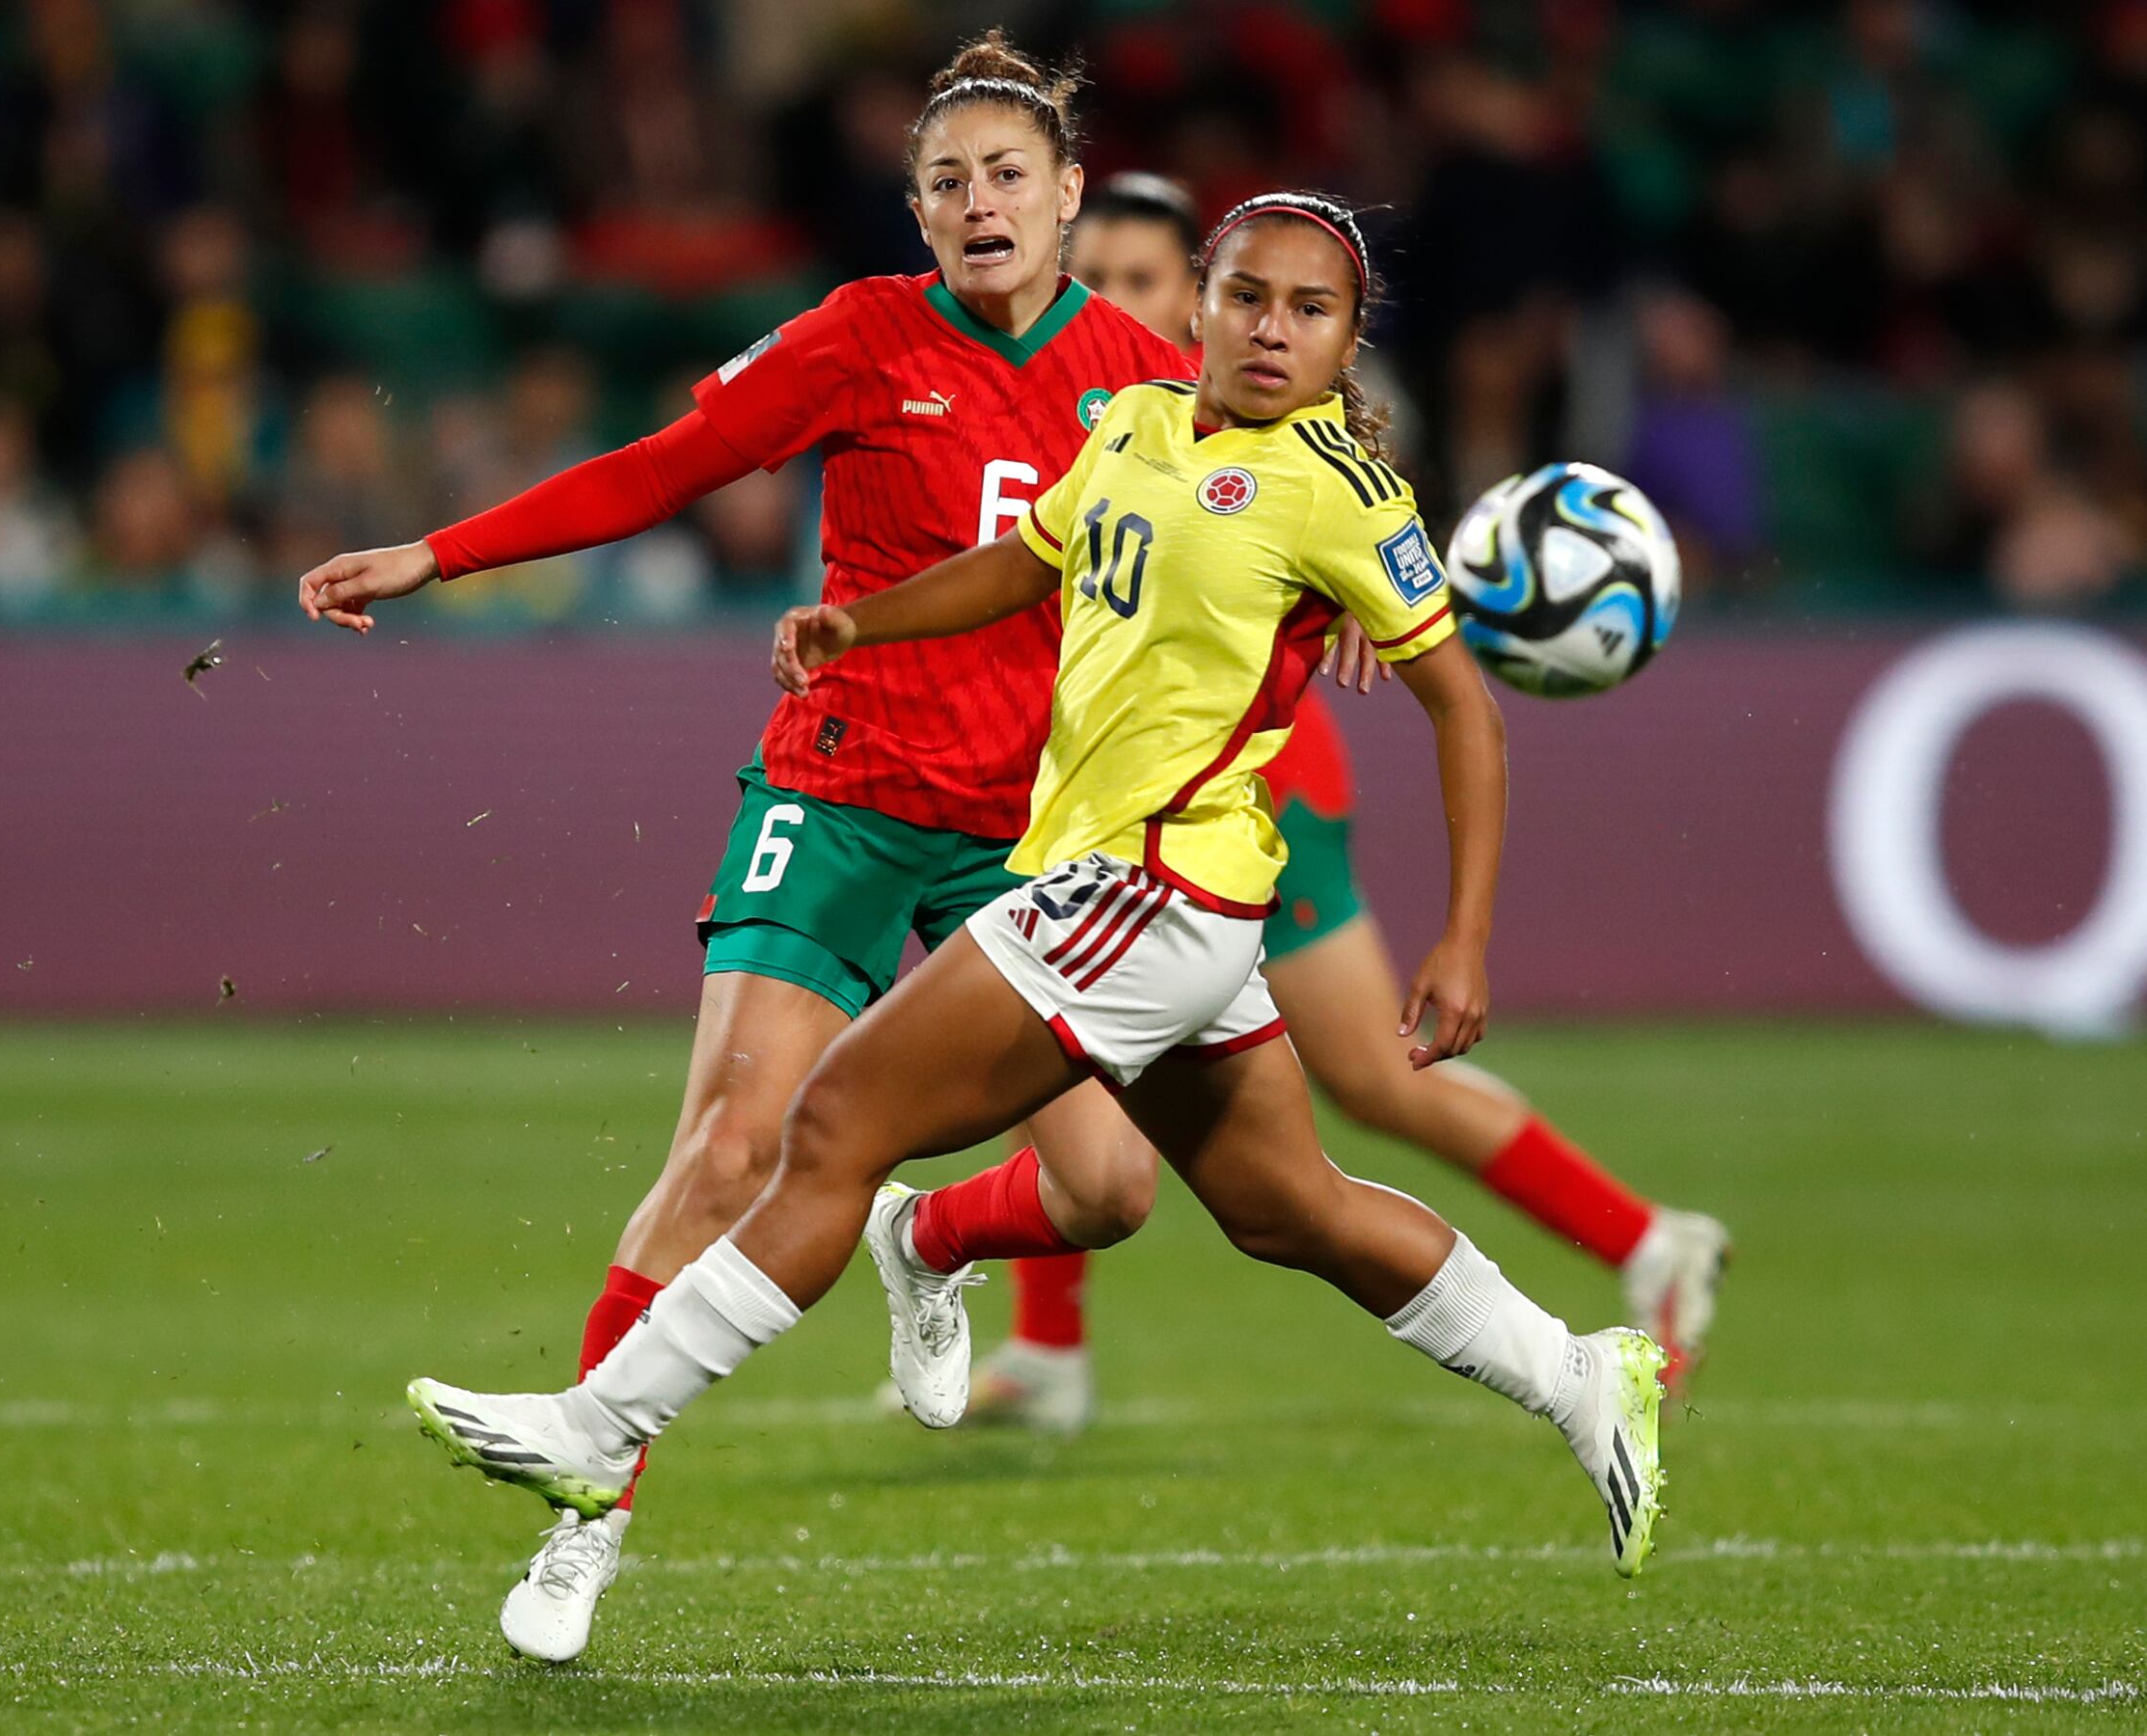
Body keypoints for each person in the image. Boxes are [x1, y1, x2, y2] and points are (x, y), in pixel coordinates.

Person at [405, 193, 1671, 1596]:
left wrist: (1465, 939)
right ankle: (1579, 1375)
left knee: (832, 1125)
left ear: (1348, 340)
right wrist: (862, 621)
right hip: (1130, 893)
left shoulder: (1343, 493)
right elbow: (1028, 563)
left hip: (1154, 892)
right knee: (1289, 1209)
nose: (1273, 330)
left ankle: (598, 1430)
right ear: (1199, 304)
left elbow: (1466, 711)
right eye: (1250, 297)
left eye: (1311, 312)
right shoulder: (1134, 423)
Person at [295, 33, 1189, 1662]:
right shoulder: (861, 336)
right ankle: (587, 1517)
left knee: (1113, 1188)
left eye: (1008, 176)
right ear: (915, 212)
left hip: (1026, 832)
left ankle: (923, 1237)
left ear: (1069, 194)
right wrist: (440, 553)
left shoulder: (1145, 381)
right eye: (946, 182)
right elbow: (665, 468)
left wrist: (1363, 608)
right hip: (841, 794)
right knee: (727, 1153)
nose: (979, 204)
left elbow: (1254, 532)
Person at [941, 174, 1729, 1434]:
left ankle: (1642, 1239)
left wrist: (1355, 595)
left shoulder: (1240, 409)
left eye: (1143, 279)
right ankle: (1047, 1345)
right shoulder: (1097, 408)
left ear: (1188, 296)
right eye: (1100, 279)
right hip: (1112, 785)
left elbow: (1346, 472)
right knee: (1076, 1032)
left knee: (1363, 1072)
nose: (1115, 303)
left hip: (1243, 794)